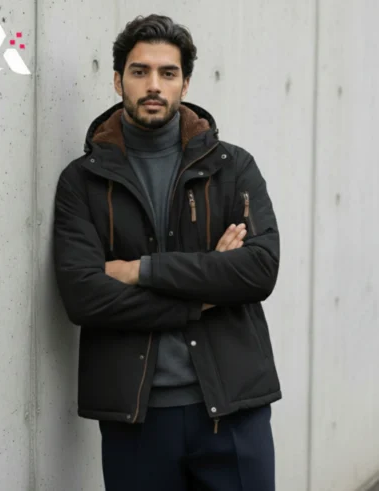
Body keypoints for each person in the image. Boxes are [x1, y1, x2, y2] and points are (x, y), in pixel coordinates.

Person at [53, 13, 281, 491]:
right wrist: (203, 294)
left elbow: (258, 270)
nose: (153, 85)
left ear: (185, 83)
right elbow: (84, 296)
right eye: (140, 71)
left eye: (167, 72)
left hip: (233, 411)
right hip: (135, 420)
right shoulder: (82, 180)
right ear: (118, 80)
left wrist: (142, 270)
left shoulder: (232, 167)